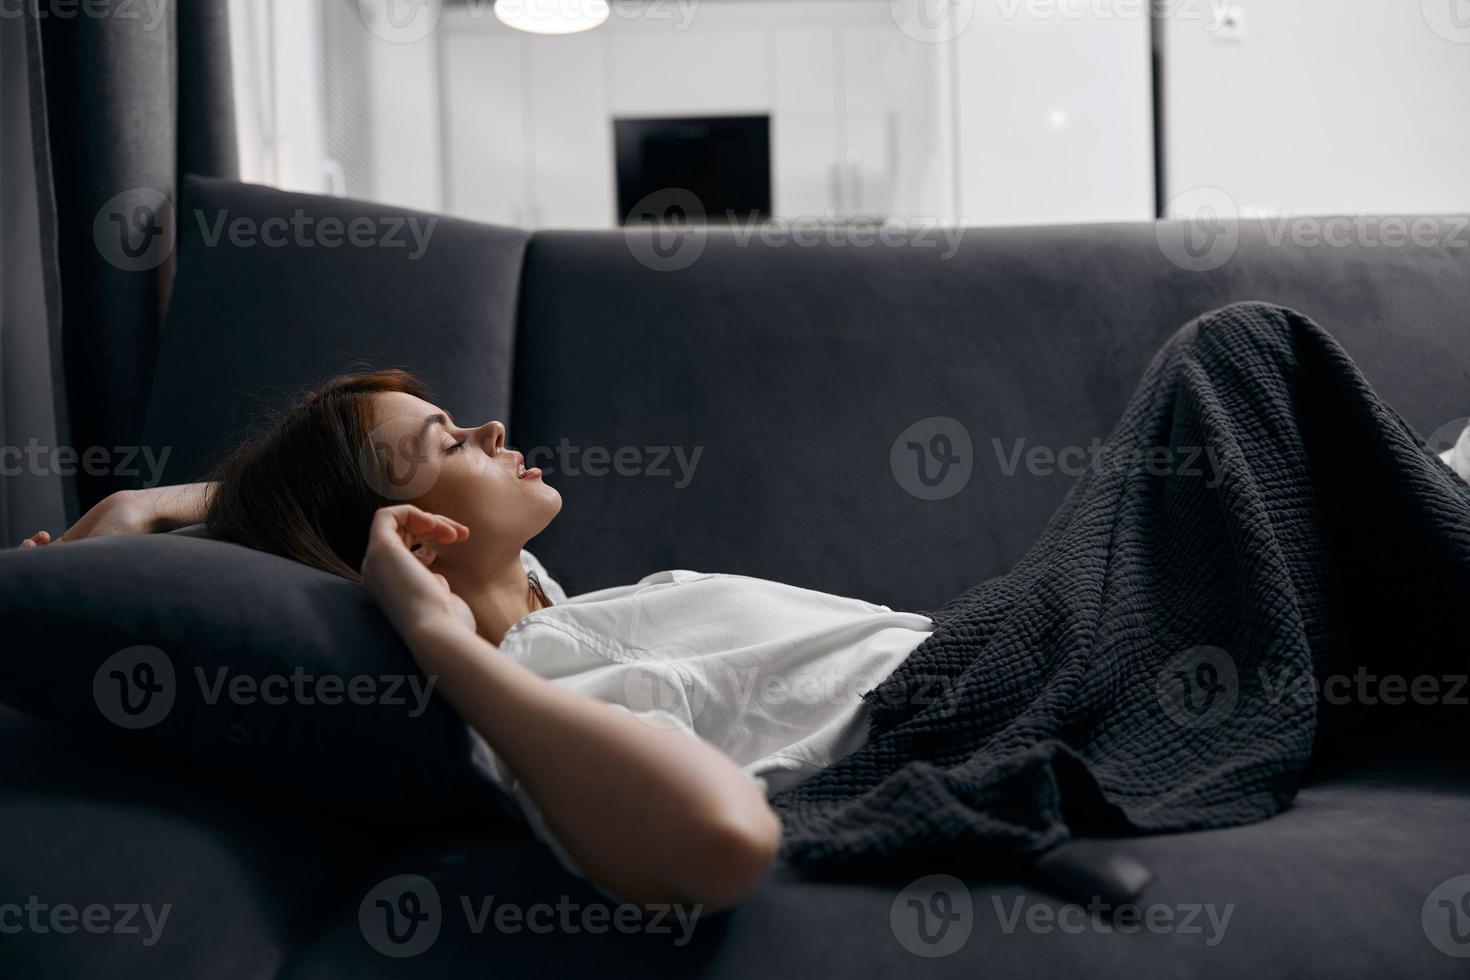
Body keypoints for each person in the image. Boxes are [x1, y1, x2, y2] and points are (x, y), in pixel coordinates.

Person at [19, 371, 937, 911]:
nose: (491, 429)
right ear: (413, 534)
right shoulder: (543, 672)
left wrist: (142, 504)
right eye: (448, 444)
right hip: (992, 692)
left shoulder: (558, 613)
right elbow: (722, 837)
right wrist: (431, 629)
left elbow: (291, 507)